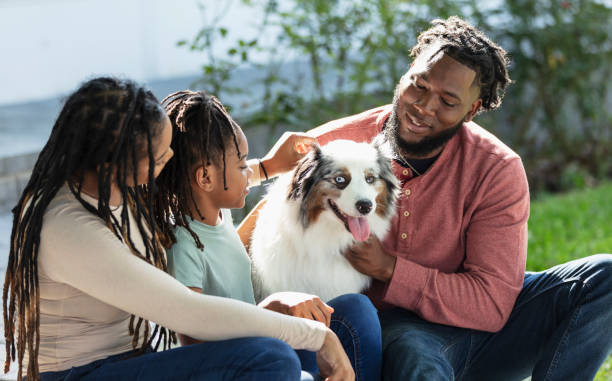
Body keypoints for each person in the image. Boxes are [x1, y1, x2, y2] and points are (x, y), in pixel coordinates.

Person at [243, 16, 612, 380]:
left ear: (472, 110)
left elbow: (494, 303)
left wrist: (390, 269)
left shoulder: (496, 169)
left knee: (604, 278)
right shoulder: (339, 145)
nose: (423, 106)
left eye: (447, 101)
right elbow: (271, 214)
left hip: (488, 332)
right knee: (416, 356)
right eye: (418, 85)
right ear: (405, 75)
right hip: (399, 331)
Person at [2, 77, 355, 381]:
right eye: (159, 157)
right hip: (80, 374)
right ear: (115, 161)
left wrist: (266, 166)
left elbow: (202, 181)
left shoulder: (112, 184)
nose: (170, 160)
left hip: (133, 360)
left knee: (351, 316)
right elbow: (189, 312)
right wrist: (315, 337)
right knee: (269, 357)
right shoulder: (68, 229)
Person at [153, 90, 381, 381]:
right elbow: (196, 346)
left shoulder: (215, 213)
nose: (247, 173)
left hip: (265, 340)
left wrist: (270, 165)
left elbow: (236, 176)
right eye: (241, 165)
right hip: (250, 363)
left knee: (356, 309)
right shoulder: (183, 244)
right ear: (206, 178)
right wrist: (269, 310)